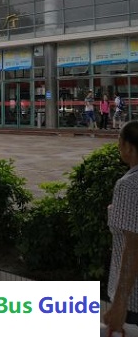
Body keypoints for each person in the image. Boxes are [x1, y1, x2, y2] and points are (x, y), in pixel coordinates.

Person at [103, 121, 138, 336]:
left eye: (119, 141)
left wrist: (119, 304)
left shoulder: (129, 185)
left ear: (129, 147)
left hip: (134, 301)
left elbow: (133, 247)